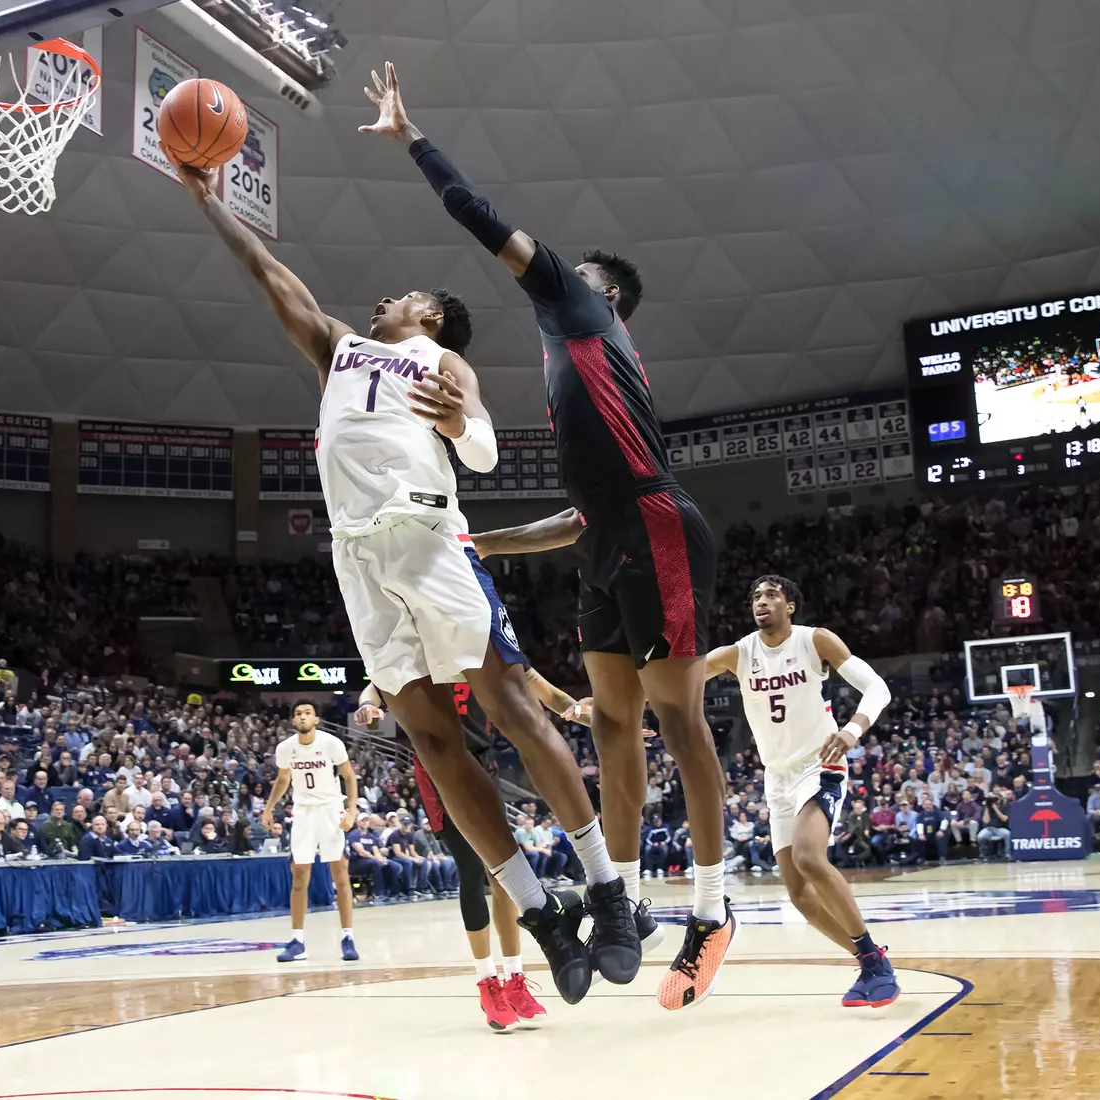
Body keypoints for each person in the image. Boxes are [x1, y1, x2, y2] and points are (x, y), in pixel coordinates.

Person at [169, 144, 633, 1005]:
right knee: (430, 739)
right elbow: (274, 276)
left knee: (515, 709)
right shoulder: (340, 351)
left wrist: (463, 423)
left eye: (403, 296)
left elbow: (486, 452)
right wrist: (210, 202)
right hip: (357, 556)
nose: (381, 300)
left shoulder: (443, 363)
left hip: (429, 537)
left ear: (430, 319)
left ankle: (606, 889)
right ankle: (538, 915)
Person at [359, 62, 732, 1009]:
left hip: (656, 523)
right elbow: (573, 518)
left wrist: (412, 140)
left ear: (601, 289)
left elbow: (480, 216)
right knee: (613, 722)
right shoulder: (575, 353)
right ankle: (628, 901)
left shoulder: (580, 305)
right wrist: (490, 545)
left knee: (678, 719)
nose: (557, 264)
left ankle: (714, 907)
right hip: (607, 536)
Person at [704, 576, 899, 1008]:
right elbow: (676, 681)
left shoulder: (816, 641)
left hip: (820, 763)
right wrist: (608, 701)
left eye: (771, 595)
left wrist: (851, 731)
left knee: (809, 857)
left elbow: (877, 688)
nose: (761, 602)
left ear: (790, 606)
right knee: (799, 896)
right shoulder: (739, 653)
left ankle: (875, 961)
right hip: (777, 777)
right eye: (755, 596)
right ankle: (869, 960)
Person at [354, 683, 553, 1030]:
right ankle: (487, 981)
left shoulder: (472, 649)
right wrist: (368, 705)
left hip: (483, 763)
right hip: (438, 769)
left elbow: (526, 682)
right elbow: (374, 688)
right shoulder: (419, 655)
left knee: (503, 874)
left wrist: (571, 708)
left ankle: (515, 978)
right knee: (472, 869)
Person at [261, 701, 359, 963]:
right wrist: (269, 809)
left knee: (340, 873)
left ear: (316, 719)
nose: (302, 717)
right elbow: (283, 780)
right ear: (294, 721)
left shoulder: (331, 743)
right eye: (298, 714)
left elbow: (349, 776)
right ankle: (297, 941)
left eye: (307, 713)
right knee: (299, 874)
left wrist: (352, 811)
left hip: (330, 808)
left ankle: (348, 937)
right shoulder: (286, 748)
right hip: (303, 811)